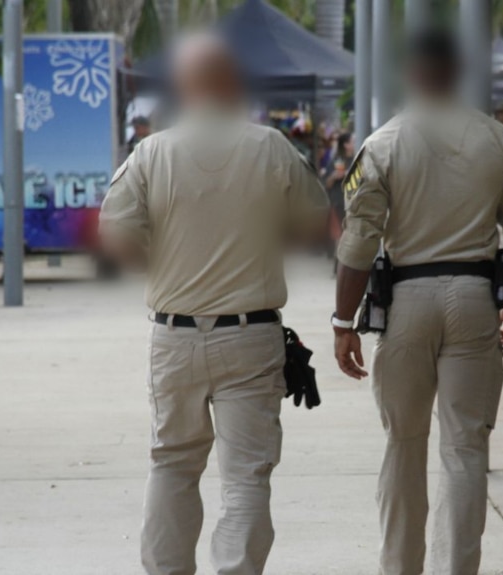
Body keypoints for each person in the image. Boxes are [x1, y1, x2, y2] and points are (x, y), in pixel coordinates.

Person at [98, 34, 328, 575]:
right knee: (246, 475)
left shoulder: (152, 151)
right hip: (250, 335)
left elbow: (116, 236)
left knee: (172, 464)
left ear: (185, 86)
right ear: (231, 84)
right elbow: (314, 224)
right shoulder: (271, 147)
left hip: (173, 335)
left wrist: (164, 266)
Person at [330, 29, 503, 575]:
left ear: (411, 74)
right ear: (459, 72)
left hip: (406, 301)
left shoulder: (383, 144)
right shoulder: (502, 142)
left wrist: (342, 321)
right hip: (475, 299)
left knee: (403, 443)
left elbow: (358, 243)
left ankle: (400, 567)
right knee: (466, 449)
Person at [323, 132, 355, 271]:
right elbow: (326, 183)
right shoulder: (337, 160)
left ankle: (344, 264)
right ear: (346, 144)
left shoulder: (357, 159)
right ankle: (340, 265)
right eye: (352, 141)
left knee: (350, 234)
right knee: (339, 234)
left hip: (354, 202)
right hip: (338, 201)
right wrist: (335, 176)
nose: (354, 143)